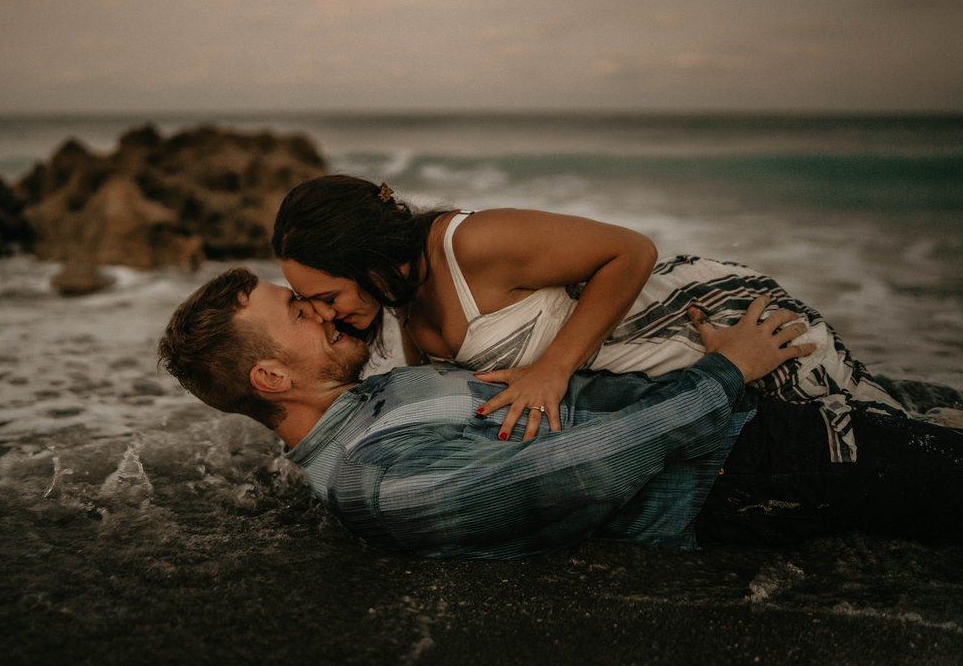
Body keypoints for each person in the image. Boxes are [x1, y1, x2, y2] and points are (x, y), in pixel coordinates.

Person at [157, 267, 963, 559]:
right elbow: (580, 467)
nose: (326, 311)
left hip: (724, 421)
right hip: (735, 470)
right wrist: (725, 373)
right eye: (301, 314)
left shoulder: (371, 404)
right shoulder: (375, 481)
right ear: (269, 377)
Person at [271, 175, 906, 463]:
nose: (327, 313)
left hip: (715, 322)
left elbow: (631, 250)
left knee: (887, 436)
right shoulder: (404, 304)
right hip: (688, 375)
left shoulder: (470, 244)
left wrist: (551, 370)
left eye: (327, 295)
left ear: (367, 258)